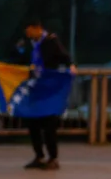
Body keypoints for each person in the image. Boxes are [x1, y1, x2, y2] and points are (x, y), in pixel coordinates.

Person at [20, 18, 73, 170]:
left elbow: (65, 57)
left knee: (49, 124)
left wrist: (71, 66)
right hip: (35, 88)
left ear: (37, 28)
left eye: (29, 30)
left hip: (48, 87)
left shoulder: (51, 41)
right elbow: (21, 59)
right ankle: (39, 155)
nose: (27, 34)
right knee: (33, 123)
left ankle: (53, 157)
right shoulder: (30, 44)